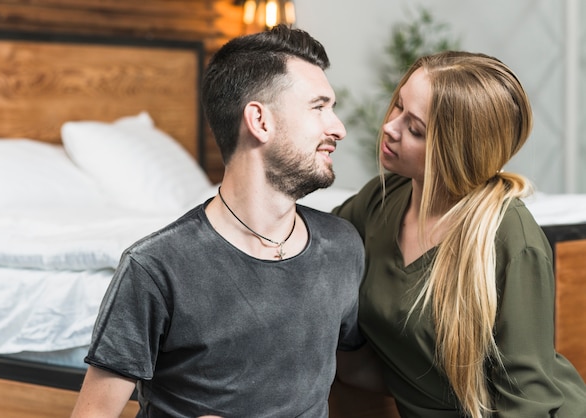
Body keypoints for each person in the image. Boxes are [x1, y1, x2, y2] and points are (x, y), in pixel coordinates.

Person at [71, 24, 367, 418]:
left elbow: (357, 372)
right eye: (319, 107)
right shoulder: (156, 267)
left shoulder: (342, 245)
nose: (338, 128)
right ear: (260, 121)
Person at [333, 51, 586, 417]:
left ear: (456, 151)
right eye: (398, 106)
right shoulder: (381, 200)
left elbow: (527, 402)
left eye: (415, 129)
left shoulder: (511, 238)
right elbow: (313, 247)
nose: (390, 127)